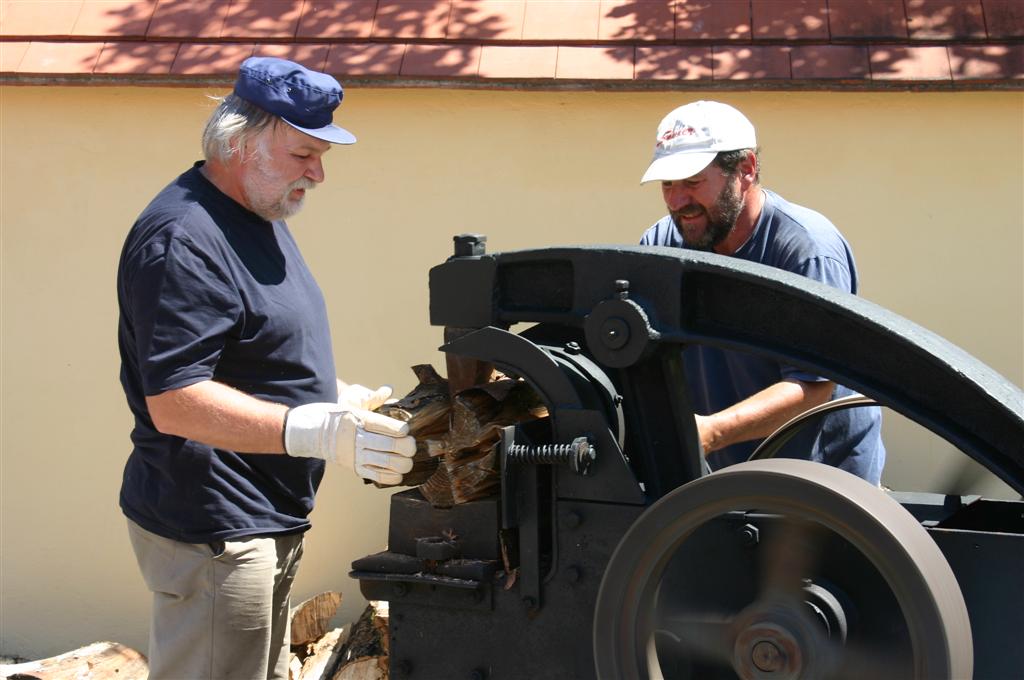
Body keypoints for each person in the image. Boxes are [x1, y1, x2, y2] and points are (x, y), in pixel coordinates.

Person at [116, 57, 416, 679]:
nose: (320, 174)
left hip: (259, 519)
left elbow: (248, 351)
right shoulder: (184, 238)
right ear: (240, 142)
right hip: (215, 531)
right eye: (304, 154)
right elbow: (174, 400)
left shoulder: (257, 211)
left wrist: (332, 395)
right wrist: (314, 431)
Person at [638, 100, 885, 485]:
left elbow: (813, 387)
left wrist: (711, 432)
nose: (676, 201)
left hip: (821, 481)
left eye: (691, 182)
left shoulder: (805, 251)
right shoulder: (663, 245)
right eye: (668, 184)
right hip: (724, 475)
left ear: (746, 169)